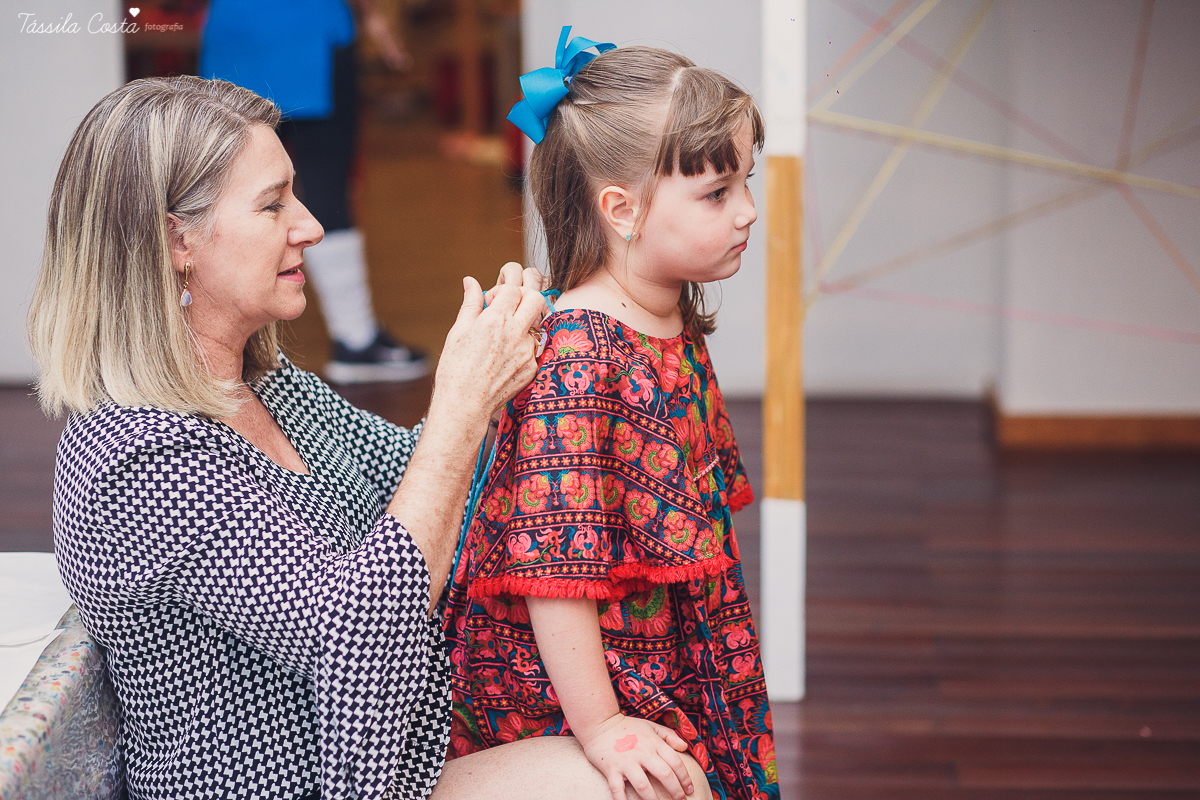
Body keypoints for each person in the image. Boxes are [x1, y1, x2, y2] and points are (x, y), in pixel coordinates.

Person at [27, 75, 708, 800]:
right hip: (307, 787)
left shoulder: (264, 383)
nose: (310, 226)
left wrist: (525, 378)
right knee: (656, 786)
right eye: (273, 204)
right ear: (176, 241)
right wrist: (462, 402)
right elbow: (356, 634)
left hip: (387, 762)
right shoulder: (140, 456)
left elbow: (420, 477)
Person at [443, 30, 777, 800]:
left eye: (746, 183)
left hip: (662, 644)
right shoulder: (579, 358)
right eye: (718, 193)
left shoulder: (664, 319)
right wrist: (602, 728)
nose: (749, 212)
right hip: (577, 685)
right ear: (622, 210)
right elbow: (554, 573)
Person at [200, 0, 428, 384]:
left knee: (223, 192)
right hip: (310, 32)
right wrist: (375, 17)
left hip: (234, 30)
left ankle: (218, 349)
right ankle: (355, 339)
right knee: (326, 186)